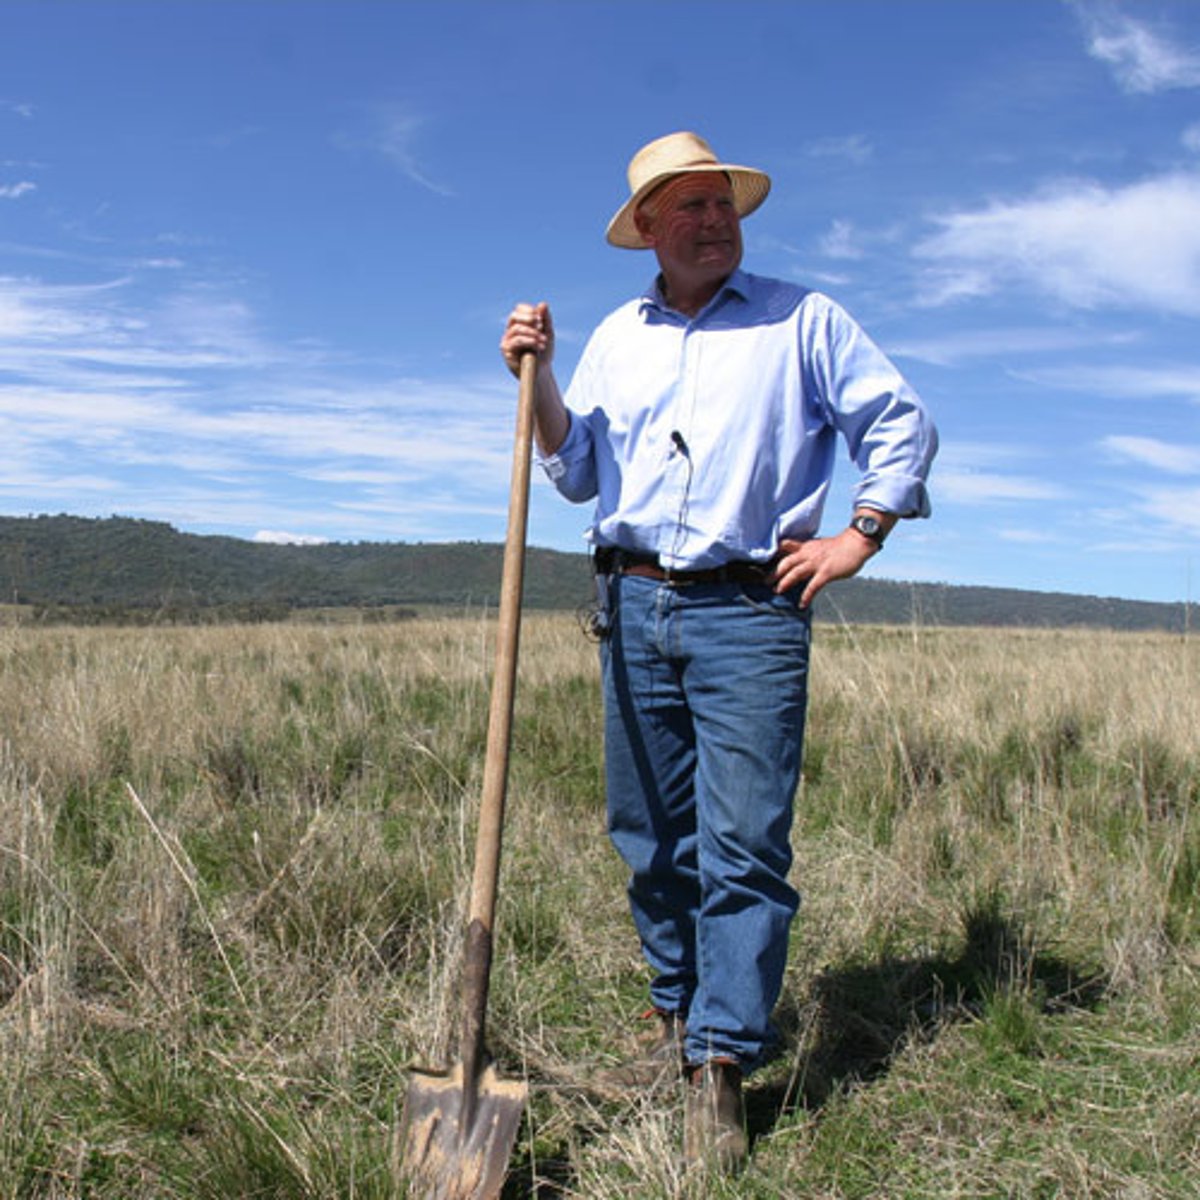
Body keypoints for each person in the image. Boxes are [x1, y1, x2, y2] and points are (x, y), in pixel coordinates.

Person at [500, 131, 937, 1171]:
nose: (712, 222)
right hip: (631, 604)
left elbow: (899, 423)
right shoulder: (617, 335)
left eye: (723, 205)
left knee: (742, 849)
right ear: (648, 228)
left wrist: (858, 534)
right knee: (649, 838)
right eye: (687, 207)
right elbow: (574, 469)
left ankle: (721, 1069)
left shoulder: (804, 320)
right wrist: (541, 377)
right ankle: (672, 1026)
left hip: (749, 612)